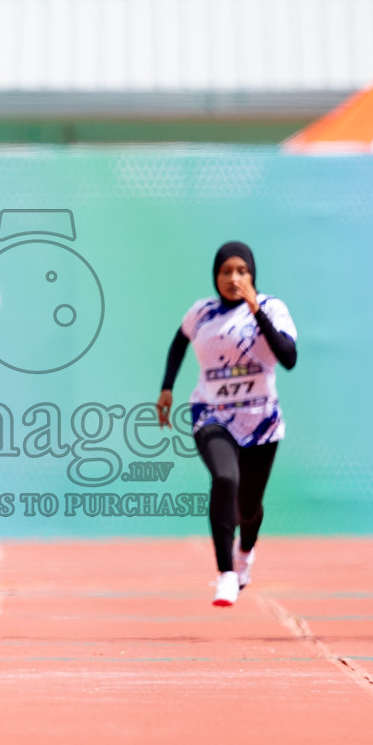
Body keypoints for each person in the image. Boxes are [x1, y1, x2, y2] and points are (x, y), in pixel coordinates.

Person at [157, 242, 297, 607]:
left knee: (248, 507)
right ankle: (225, 575)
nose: (233, 278)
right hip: (211, 413)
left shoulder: (271, 308)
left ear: (252, 275)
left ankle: (245, 552)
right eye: (225, 272)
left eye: (241, 271)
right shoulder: (202, 312)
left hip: (261, 420)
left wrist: (255, 310)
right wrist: (167, 386)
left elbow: (288, 357)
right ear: (215, 276)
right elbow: (178, 340)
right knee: (225, 478)